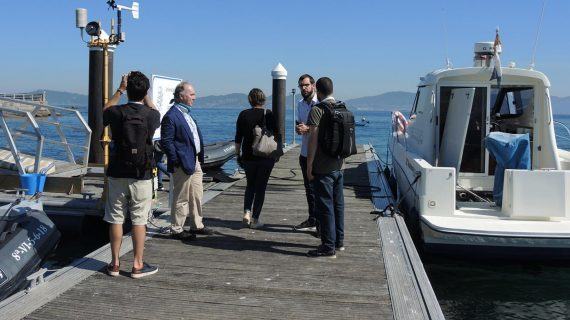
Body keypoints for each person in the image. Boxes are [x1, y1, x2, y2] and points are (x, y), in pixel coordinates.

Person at [103, 71, 160, 278]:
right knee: (139, 219)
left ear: (128, 90)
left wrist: (120, 89)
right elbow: (155, 111)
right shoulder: (151, 115)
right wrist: (146, 94)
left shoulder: (117, 112)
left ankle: (115, 264)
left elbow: (105, 109)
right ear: (145, 91)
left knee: (116, 218)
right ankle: (137, 265)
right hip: (142, 173)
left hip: (117, 171)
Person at [160, 81, 214, 239]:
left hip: (194, 160)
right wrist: (176, 160)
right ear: (181, 96)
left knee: (197, 194)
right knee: (181, 196)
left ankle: (197, 225)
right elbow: (166, 141)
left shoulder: (186, 114)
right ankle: (177, 228)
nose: (194, 98)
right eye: (191, 94)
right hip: (182, 162)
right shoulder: (171, 116)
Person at [306, 77, 345, 258]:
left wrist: (309, 164)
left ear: (317, 91)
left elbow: (312, 141)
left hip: (323, 167)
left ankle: (328, 246)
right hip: (339, 165)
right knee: (338, 205)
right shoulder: (342, 107)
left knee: (325, 207)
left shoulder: (317, 110)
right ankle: (339, 242)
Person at [234, 88, 276, 229]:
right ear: (263, 100)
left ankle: (246, 211)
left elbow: (238, 137)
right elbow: (276, 135)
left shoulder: (243, 114)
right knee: (261, 188)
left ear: (250, 100)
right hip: (265, 156)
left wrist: (237, 154)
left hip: (248, 155)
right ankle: (255, 219)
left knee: (250, 185)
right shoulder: (268, 114)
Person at [293, 74, 318, 232]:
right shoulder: (300, 103)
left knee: (318, 190)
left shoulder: (320, 103)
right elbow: (300, 122)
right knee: (308, 189)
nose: (303, 88)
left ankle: (320, 224)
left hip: (317, 153)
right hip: (304, 152)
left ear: (313, 85)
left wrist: (308, 128)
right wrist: (299, 128)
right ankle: (312, 219)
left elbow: (323, 127)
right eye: (301, 85)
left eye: (306, 85)